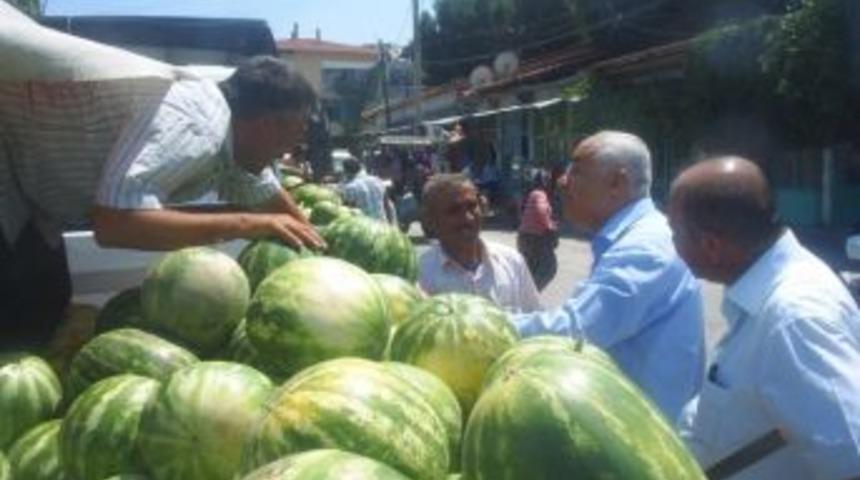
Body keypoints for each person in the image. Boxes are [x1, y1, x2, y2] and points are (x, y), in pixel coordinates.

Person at [1, 55, 324, 348]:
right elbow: (114, 223)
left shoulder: (234, 137)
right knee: (18, 326)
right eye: (296, 133)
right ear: (267, 124)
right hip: (7, 174)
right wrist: (247, 223)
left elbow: (266, 196)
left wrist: (321, 254)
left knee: (40, 313)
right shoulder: (197, 125)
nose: (288, 153)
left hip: (29, 198)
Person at [670, 156, 860, 479]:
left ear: (712, 245)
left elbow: (851, 458)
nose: (671, 244)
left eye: (675, 233)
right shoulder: (765, 296)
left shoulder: (795, 319)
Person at [512, 131, 705, 422]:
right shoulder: (632, 238)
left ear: (617, 182)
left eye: (576, 170)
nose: (562, 182)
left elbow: (573, 332)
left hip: (649, 439)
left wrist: (481, 320)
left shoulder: (644, 248)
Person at [418, 173, 541, 313]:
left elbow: (534, 316)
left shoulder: (512, 261)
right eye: (453, 210)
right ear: (431, 220)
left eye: (472, 206)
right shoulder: (420, 276)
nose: (468, 218)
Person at [517, 170, 559, 290]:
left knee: (529, 271)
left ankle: (525, 298)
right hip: (535, 239)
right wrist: (549, 225)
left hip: (525, 237)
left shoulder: (530, 193)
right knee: (549, 268)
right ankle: (531, 295)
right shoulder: (539, 194)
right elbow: (540, 210)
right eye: (547, 180)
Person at [339, 157, 395, 223]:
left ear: (345, 171)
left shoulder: (349, 189)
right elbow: (388, 206)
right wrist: (391, 225)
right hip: (382, 227)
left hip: (364, 229)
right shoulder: (377, 181)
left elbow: (346, 213)